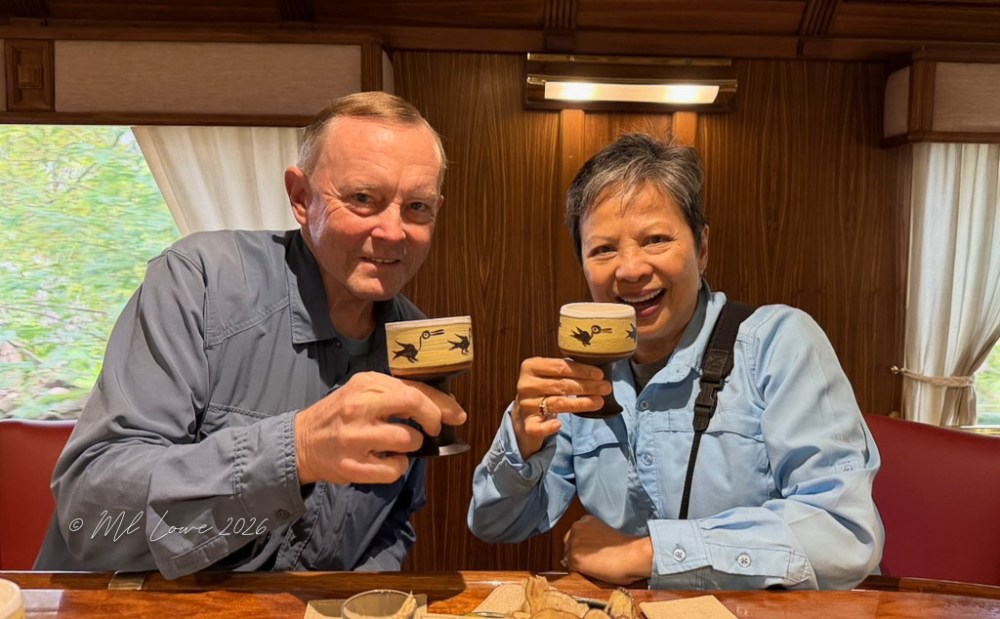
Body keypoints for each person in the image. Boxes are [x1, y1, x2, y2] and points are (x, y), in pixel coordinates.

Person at [35, 91, 467, 579]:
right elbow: (91, 512)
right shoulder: (200, 282)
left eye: (417, 207)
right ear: (300, 197)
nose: (393, 232)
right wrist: (296, 450)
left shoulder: (415, 342)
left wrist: (360, 600)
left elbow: (391, 522)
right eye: (363, 199)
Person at [467, 133, 884, 590]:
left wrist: (647, 553)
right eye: (603, 249)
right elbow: (495, 524)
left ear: (702, 248)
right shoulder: (582, 379)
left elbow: (844, 534)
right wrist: (522, 440)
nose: (630, 269)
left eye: (656, 240)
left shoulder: (777, 344)